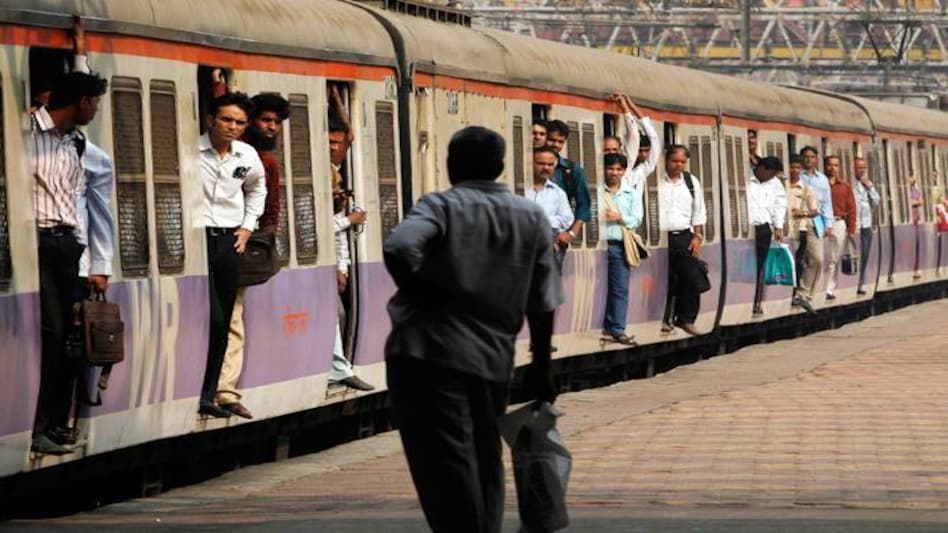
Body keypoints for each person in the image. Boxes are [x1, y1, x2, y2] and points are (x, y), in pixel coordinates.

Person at [383, 126, 562, 533]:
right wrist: (542, 364)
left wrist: (425, 291)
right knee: (485, 455)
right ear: (500, 167)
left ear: (450, 166)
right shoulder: (531, 216)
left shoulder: (440, 206)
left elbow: (399, 246)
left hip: (425, 353)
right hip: (493, 358)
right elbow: (543, 299)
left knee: (444, 462)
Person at [30, 71, 108, 454]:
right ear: (81, 102)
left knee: (67, 339)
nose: (96, 110)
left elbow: (79, 199)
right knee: (52, 332)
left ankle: (57, 423)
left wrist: (91, 255)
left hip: (66, 246)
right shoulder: (26, 133)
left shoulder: (77, 142)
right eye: (94, 103)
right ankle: (40, 426)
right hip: (36, 244)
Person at [215, 94, 290, 419]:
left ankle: (224, 389)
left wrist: (258, 239)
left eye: (276, 122)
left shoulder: (264, 161)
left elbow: (269, 208)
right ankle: (222, 389)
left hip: (238, 244)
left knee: (231, 316)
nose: (271, 128)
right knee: (229, 317)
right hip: (219, 238)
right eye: (265, 120)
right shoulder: (244, 155)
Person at [195, 92, 267, 418]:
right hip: (196, 239)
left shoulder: (247, 155)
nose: (232, 127)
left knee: (222, 319)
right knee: (206, 317)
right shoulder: (191, 152)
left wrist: (248, 226)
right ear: (211, 119)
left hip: (228, 241)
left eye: (239, 122)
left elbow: (257, 188)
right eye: (226, 120)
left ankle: (208, 394)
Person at [326, 110, 373, 391]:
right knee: (337, 315)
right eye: (329, 142)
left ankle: (339, 367)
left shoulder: (335, 172)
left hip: (335, 262)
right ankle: (338, 369)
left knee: (339, 314)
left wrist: (342, 266)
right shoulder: (322, 173)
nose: (335, 147)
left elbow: (338, 236)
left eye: (338, 143)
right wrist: (349, 220)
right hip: (326, 262)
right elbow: (319, 227)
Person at [658, 145, 706, 336]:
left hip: (684, 236)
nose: (678, 165)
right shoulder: (656, 179)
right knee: (666, 280)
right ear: (666, 160)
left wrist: (697, 236)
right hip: (661, 237)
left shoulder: (690, 181)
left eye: (682, 162)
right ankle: (664, 318)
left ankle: (686, 318)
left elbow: (699, 210)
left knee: (691, 277)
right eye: (674, 161)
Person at [601, 153, 643, 344]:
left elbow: (636, 220)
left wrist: (619, 217)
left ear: (624, 172)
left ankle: (617, 329)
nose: (614, 173)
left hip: (619, 246)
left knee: (619, 289)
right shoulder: (596, 191)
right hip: (598, 246)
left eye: (618, 169)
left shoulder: (632, 193)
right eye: (610, 168)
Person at [747, 156, 786, 316]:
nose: (772, 178)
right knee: (746, 267)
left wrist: (778, 225)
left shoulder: (775, 183)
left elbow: (780, 203)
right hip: (747, 228)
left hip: (763, 228)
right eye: (770, 174)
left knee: (760, 265)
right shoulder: (746, 179)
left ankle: (757, 301)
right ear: (761, 168)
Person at [526, 146, 574, 271]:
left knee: (547, 286)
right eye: (541, 163)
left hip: (550, 242)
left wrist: (542, 220)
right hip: (524, 241)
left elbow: (567, 218)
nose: (546, 168)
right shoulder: (521, 189)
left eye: (550, 164)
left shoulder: (558, 192)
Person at [545, 119, 591, 249]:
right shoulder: (530, 165)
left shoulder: (573, 170)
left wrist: (571, 233)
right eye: (551, 140)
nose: (555, 145)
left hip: (558, 236)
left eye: (560, 142)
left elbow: (584, 204)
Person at [785, 155, 819, 314]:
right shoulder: (781, 186)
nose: (794, 170)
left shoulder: (806, 189)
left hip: (800, 230)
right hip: (784, 230)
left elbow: (814, 211)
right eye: (792, 167)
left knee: (800, 262)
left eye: (798, 167)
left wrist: (802, 212)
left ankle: (800, 292)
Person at [798, 146, 833, 297]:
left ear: (817, 159)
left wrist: (828, 224)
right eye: (806, 157)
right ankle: (799, 292)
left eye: (812, 157)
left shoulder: (823, 180)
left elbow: (826, 203)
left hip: (815, 222)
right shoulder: (797, 176)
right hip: (798, 221)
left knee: (817, 258)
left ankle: (805, 292)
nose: (809, 160)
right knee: (799, 257)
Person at [612, 94, 660, 196]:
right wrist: (626, 109)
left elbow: (654, 139)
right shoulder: (625, 163)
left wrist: (632, 106)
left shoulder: (644, 169)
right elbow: (634, 136)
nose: (643, 154)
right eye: (640, 151)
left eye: (646, 151)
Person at [824, 155, 856, 300]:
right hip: (823, 222)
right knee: (822, 257)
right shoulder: (821, 183)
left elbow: (851, 209)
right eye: (830, 165)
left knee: (835, 258)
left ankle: (830, 289)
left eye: (836, 165)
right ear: (825, 166)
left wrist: (851, 229)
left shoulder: (844, 186)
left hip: (839, 222)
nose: (833, 168)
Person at [853, 157, 880, 295]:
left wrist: (870, 187)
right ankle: (853, 282)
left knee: (865, 254)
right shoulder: (850, 184)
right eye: (859, 167)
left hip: (866, 224)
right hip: (854, 224)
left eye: (863, 167)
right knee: (854, 255)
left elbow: (876, 201)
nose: (861, 170)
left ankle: (861, 282)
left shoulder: (867, 184)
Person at [910, 176, 923, 279]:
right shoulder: (903, 190)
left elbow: (920, 201)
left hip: (916, 220)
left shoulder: (915, 190)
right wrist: (915, 202)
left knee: (917, 244)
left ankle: (917, 267)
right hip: (911, 220)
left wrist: (914, 202)